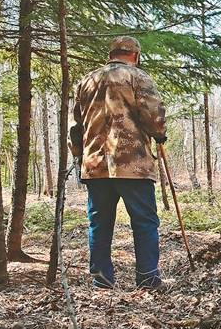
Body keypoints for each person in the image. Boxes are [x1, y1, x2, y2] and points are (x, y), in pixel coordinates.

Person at [69, 36, 167, 289]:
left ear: (111, 54)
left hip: (95, 165)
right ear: (135, 55)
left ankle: (101, 280)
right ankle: (148, 279)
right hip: (132, 164)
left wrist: (80, 154)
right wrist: (159, 134)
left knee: (99, 223)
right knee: (144, 221)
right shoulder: (137, 77)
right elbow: (153, 113)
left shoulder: (86, 82)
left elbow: (75, 126)